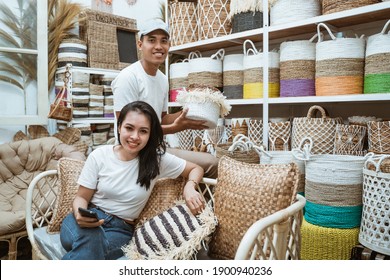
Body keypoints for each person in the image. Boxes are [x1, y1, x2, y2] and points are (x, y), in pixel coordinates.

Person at [60, 101, 205, 260]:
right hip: (85, 220)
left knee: (94, 244)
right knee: (92, 239)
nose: (135, 137)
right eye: (129, 128)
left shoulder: (156, 160)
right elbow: (81, 197)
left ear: (150, 135)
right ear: (119, 127)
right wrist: (80, 215)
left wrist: (190, 187)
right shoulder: (99, 156)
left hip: (119, 230)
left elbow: (196, 168)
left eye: (143, 131)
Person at [111, 18, 219, 179]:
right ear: (140, 45)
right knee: (212, 164)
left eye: (164, 41)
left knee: (211, 163)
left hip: (153, 148)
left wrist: (195, 112)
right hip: (133, 151)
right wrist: (177, 127)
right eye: (152, 40)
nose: (159, 46)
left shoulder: (162, 79)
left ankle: (195, 203)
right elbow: (128, 130)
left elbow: (161, 118)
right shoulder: (128, 78)